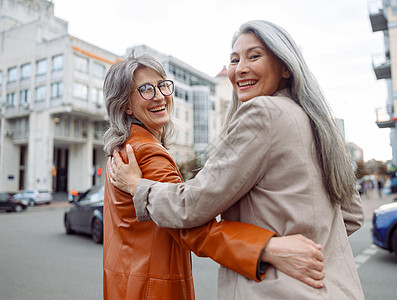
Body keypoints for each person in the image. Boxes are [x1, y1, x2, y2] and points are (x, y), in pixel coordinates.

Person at [110, 20, 365, 299]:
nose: (240, 68)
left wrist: (139, 187)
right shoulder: (315, 120)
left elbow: (191, 208)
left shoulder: (263, 112)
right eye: (234, 59)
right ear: (124, 103)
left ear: (286, 67)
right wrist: (304, 244)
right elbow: (352, 214)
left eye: (253, 56)